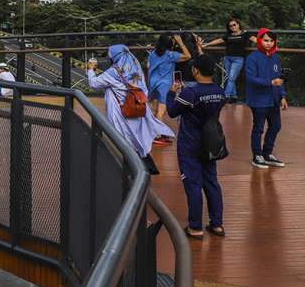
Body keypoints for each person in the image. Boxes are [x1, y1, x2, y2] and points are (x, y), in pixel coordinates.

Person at [87, 45, 175, 175]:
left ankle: (135, 172)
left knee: (125, 139)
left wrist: (90, 70)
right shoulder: (136, 68)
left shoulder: (114, 72)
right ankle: (147, 167)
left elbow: (94, 83)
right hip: (138, 107)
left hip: (123, 111)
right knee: (138, 139)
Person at [166, 54, 227, 239]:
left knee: (193, 183)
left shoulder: (190, 93)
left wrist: (172, 93)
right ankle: (217, 224)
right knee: (211, 182)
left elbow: (172, 111)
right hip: (211, 142)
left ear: (195, 70)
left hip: (190, 143)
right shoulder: (219, 91)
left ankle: (195, 227)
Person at [244, 28, 288, 168]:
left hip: (273, 98)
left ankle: (267, 154)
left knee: (276, 126)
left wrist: (282, 96)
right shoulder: (253, 58)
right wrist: (270, 82)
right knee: (259, 127)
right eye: (265, 40)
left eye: (271, 41)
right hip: (258, 99)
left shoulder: (275, 57)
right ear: (259, 40)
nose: (268, 43)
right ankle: (257, 155)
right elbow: (250, 78)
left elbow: (279, 78)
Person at [203, 18, 255, 102]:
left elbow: (255, 39)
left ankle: (226, 95)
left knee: (231, 78)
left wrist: (266, 45)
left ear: (238, 25)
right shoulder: (228, 35)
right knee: (230, 78)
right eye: (230, 26)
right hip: (227, 58)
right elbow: (219, 40)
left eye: (234, 25)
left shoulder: (245, 34)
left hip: (238, 59)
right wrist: (207, 44)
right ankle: (233, 96)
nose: (232, 27)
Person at [148, 33, 192, 121]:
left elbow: (149, 66)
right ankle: (159, 133)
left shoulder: (153, 53)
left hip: (153, 82)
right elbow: (188, 56)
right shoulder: (171, 55)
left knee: (154, 111)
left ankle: (153, 132)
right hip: (164, 84)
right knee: (161, 111)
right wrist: (180, 42)